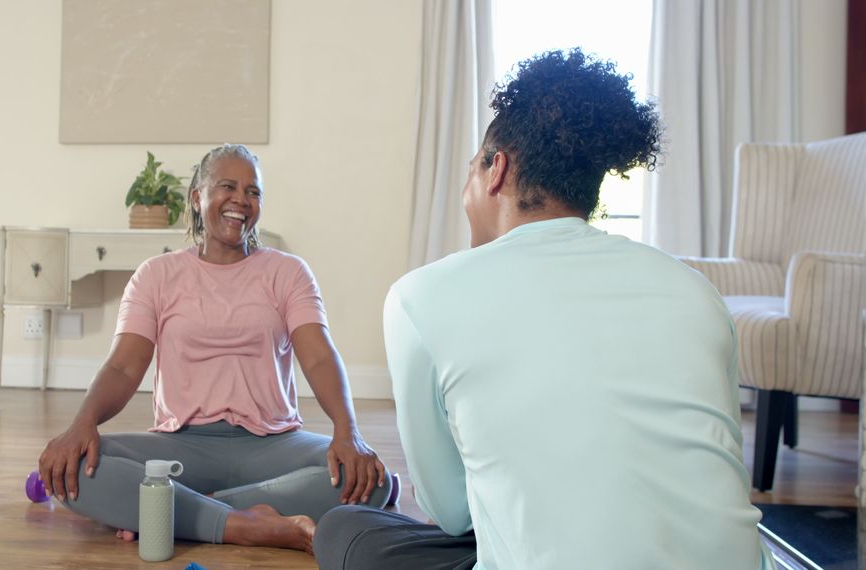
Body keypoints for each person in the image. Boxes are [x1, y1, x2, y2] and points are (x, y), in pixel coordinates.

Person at [314, 49, 776, 570]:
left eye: (471, 171)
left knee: (346, 531)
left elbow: (452, 512)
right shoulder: (696, 291)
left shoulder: (419, 296)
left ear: (496, 171)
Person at [38, 144, 393, 555]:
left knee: (373, 481)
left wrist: (348, 432)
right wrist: (81, 424)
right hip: (181, 446)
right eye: (228, 186)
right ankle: (246, 523)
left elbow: (318, 356)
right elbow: (122, 368)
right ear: (197, 197)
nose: (241, 199)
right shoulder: (156, 275)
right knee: (78, 469)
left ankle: (172, 509)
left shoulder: (288, 272)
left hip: (272, 444)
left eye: (253, 192)